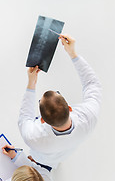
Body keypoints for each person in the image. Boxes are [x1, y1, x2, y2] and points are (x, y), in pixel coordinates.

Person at [18, 34, 102, 168]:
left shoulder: (33, 138)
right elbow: (92, 84)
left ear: (42, 120)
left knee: (42, 159)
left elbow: (25, 118)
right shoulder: (89, 117)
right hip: (67, 151)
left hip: (42, 156)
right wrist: (73, 54)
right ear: (69, 108)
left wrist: (31, 83)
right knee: (59, 155)